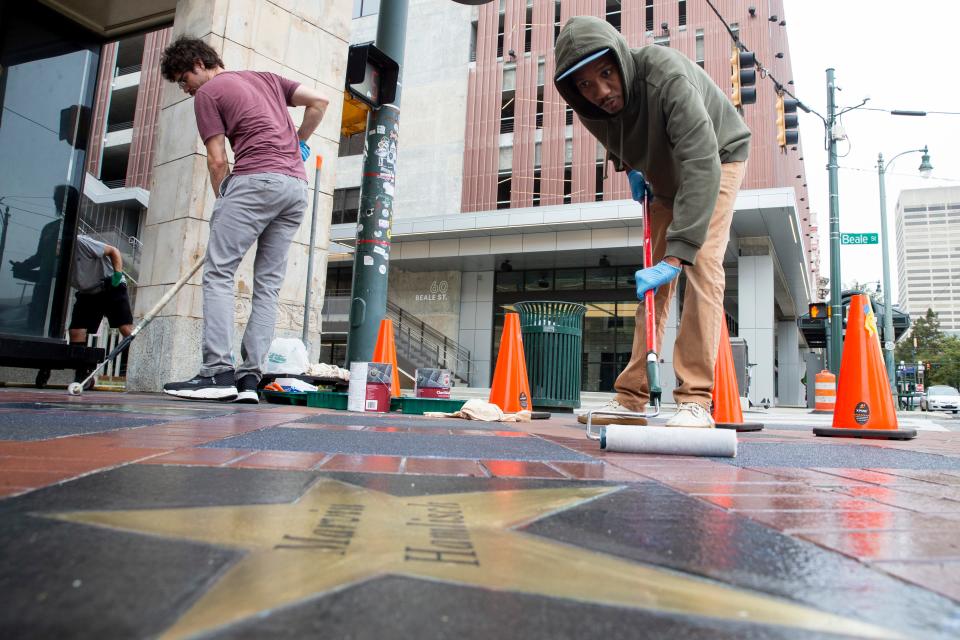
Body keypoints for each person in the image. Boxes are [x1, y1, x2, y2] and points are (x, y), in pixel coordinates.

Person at [554, 16, 751, 428]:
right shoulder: (589, 105)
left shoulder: (666, 75)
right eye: (586, 85)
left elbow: (701, 163)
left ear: (620, 60)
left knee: (700, 264)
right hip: (662, 178)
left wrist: (678, 255)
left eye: (606, 74)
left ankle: (695, 398)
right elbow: (618, 137)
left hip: (717, 157)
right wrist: (629, 168)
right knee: (653, 285)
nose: (601, 92)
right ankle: (631, 398)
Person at [159, 37, 328, 403]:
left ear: (201, 63)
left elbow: (218, 159)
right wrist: (298, 140)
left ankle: (217, 373)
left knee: (219, 272)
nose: (184, 87)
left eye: (183, 76)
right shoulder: (266, 79)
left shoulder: (209, 94)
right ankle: (249, 380)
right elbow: (319, 102)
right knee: (267, 285)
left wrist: (223, 200)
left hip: (254, 181)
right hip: (295, 186)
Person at [68, 235, 134, 389]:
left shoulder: (80, 242)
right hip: (87, 292)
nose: (57, 249)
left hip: (110, 285)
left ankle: (129, 366)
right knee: (76, 331)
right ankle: (82, 374)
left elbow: (113, 251)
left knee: (125, 329)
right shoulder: (56, 256)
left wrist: (117, 275)